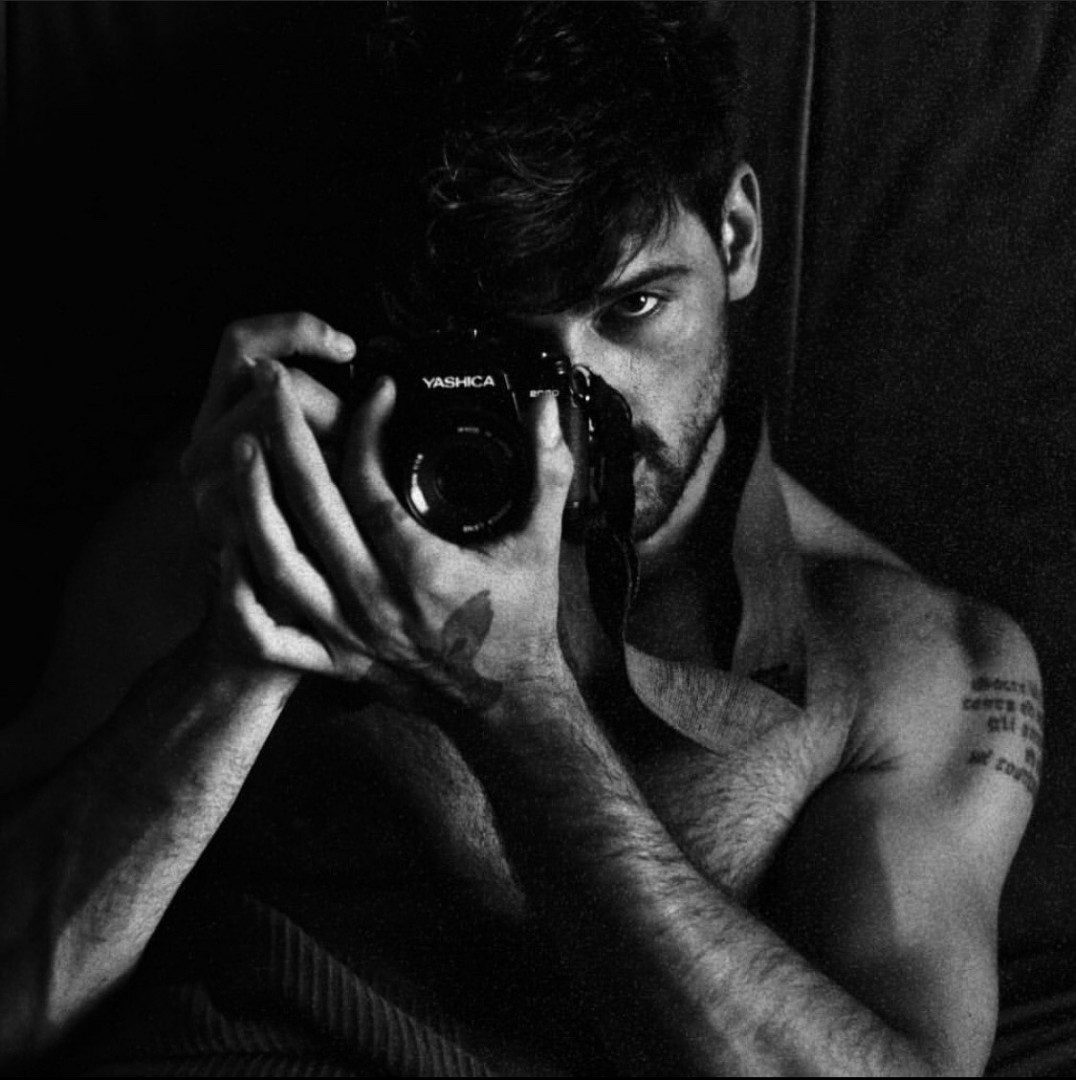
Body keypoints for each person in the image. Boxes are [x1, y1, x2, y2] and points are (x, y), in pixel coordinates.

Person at [0, 3, 1043, 1075]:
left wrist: (513, 706)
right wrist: (239, 655)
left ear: (734, 235)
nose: (577, 403)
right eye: (507, 341)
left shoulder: (902, 658)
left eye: (633, 309)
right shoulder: (251, 505)